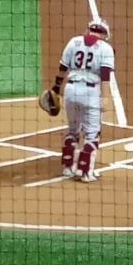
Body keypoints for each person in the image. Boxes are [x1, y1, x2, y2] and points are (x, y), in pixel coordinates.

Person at [40, 17, 115, 182]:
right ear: (104, 34)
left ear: (89, 30)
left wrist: (56, 89)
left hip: (71, 90)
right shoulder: (106, 48)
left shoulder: (74, 42)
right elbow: (104, 75)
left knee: (72, 130)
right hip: (91, 93)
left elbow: (62, 68)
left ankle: (68, 168)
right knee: (92, 134)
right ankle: (85, 172)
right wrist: (105, 97)